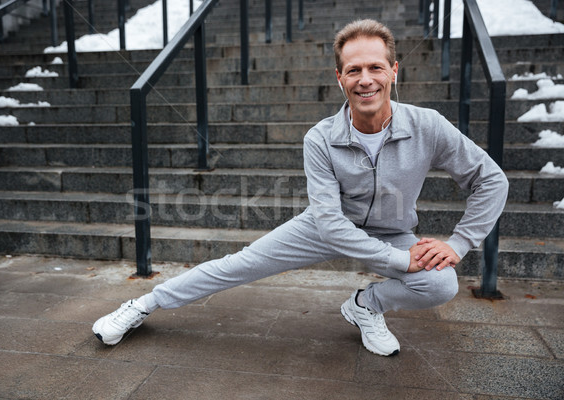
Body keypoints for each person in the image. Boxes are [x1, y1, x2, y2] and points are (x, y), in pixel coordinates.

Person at [93, 19, 508, 357]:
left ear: (394, 70)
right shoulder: (321, 138)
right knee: (237, 265)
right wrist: (400, 260)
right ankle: (143, 305)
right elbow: (328, 223)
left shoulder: (427, 125)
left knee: (441, 283)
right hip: (323, 227)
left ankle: (365, 307)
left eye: (376, 67)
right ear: (339, 77)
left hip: (390, 229)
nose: (366, 79)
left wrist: (459, 242)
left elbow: (490, 179)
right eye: (354, 70)